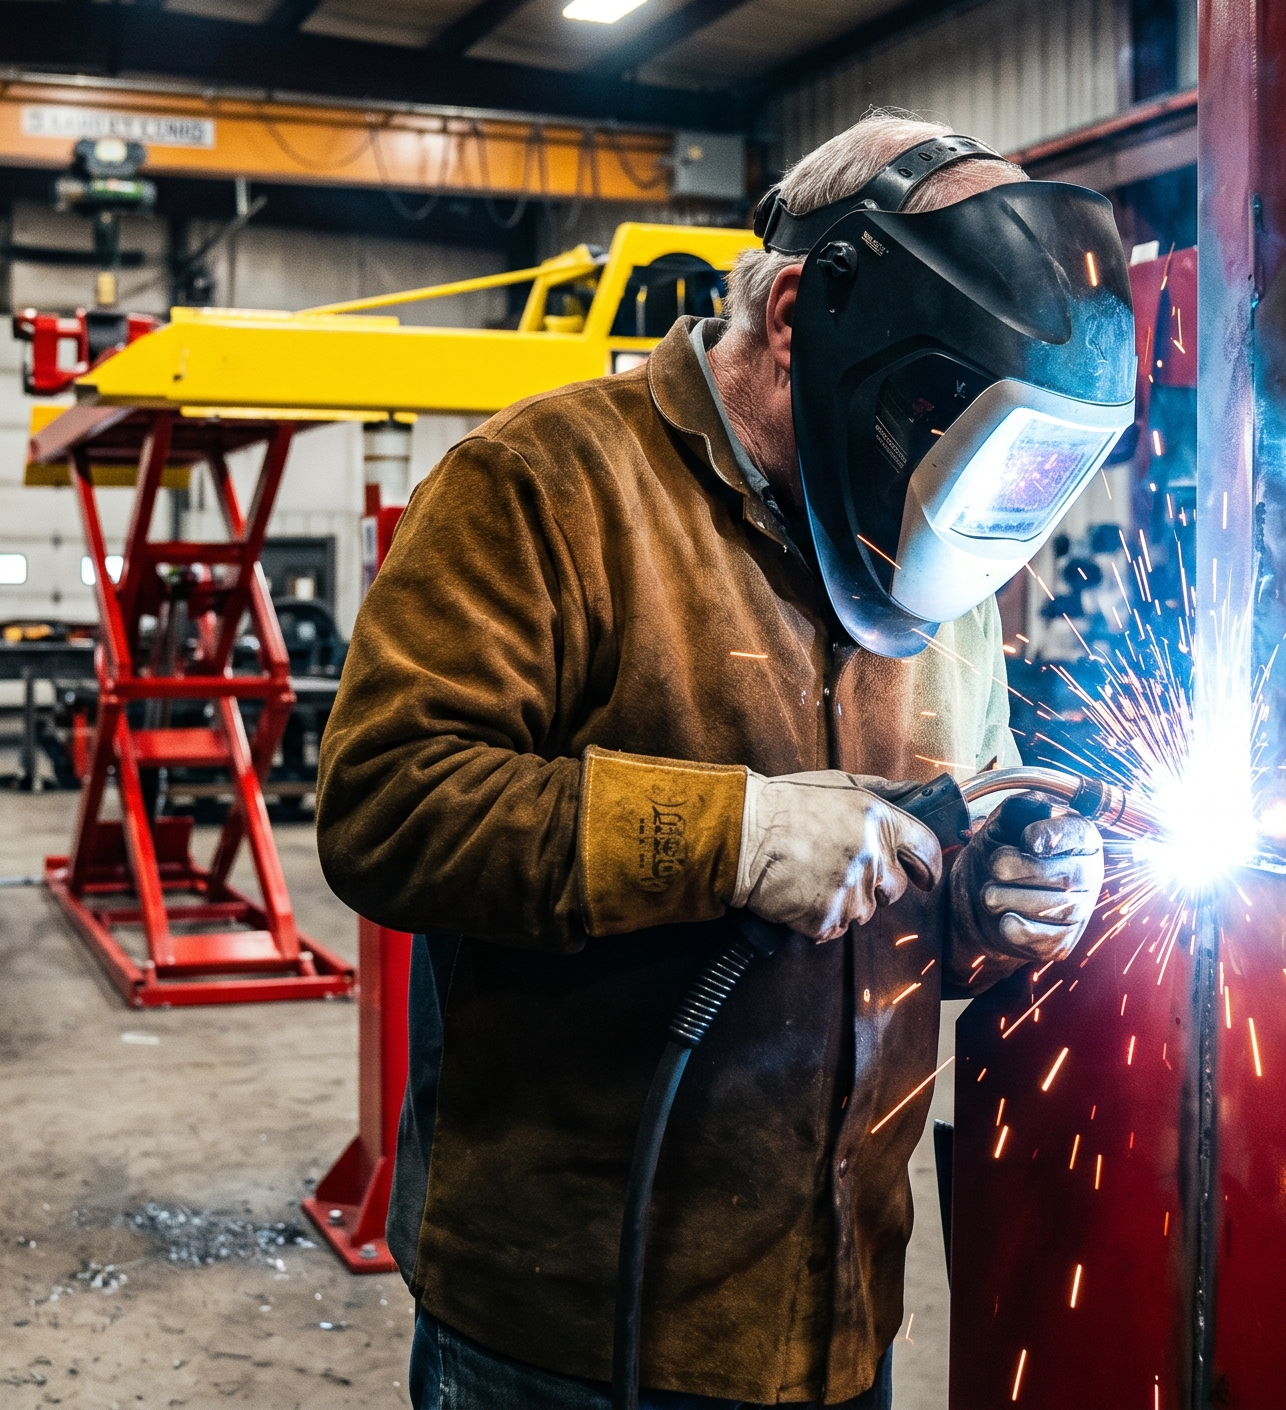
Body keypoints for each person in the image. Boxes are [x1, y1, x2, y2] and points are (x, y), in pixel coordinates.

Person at [319, 110, 1138, 1409]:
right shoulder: (541, 485)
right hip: (569, 1331)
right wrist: (738, 839)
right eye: (929, 421)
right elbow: (386, 808)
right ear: (804, 317)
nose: (941, 484)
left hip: (840, 1315)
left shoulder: (947, 573)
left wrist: (992, 903)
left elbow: (931, 863)